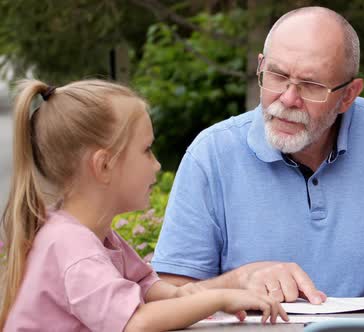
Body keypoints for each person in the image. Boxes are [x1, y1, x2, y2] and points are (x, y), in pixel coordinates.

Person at [152, 6, 364, 303]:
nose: (288, 98)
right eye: (277, 76)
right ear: (261, 66)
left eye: (311, 85)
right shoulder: (211, 154)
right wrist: (240, 280)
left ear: (348, 94)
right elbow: (170, 297)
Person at [0, 80, 288, 331]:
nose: (157, 164)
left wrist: (199, 293)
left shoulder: (95, 237)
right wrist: (220, 298)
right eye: (146, 150)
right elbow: (134, 322)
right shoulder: (73, 249)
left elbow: (148, 287)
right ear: (103, 166)